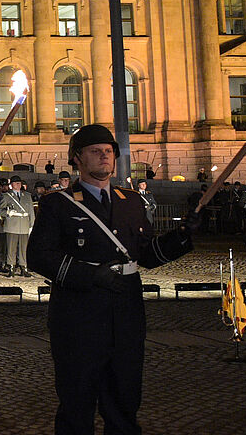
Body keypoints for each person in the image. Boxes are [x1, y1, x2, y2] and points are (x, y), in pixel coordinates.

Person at [28, 124, 198, 435]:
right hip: (79, 315)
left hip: (126, 312)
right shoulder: (59, 203)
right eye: (96, 152)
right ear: (77, 158)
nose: (105, 157)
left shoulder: (130, 200)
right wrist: (91, 275)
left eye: (109, 151)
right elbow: (39, 257)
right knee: (77, 403)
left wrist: (181, 237)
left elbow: (145, 254)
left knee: (124, 400)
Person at [1, 175, 35, 277]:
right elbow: (0, 210)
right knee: (11, 248)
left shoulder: (27, 196)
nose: (18, 185)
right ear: (11, 185)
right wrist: (8, 212)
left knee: (23, 248)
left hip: (24, 225)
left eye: (19, 183)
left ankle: (23, 267)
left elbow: (31, 212)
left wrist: (31, 225)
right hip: (12, 225)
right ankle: (11, 267)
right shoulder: (7, 196)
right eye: (16, 183)